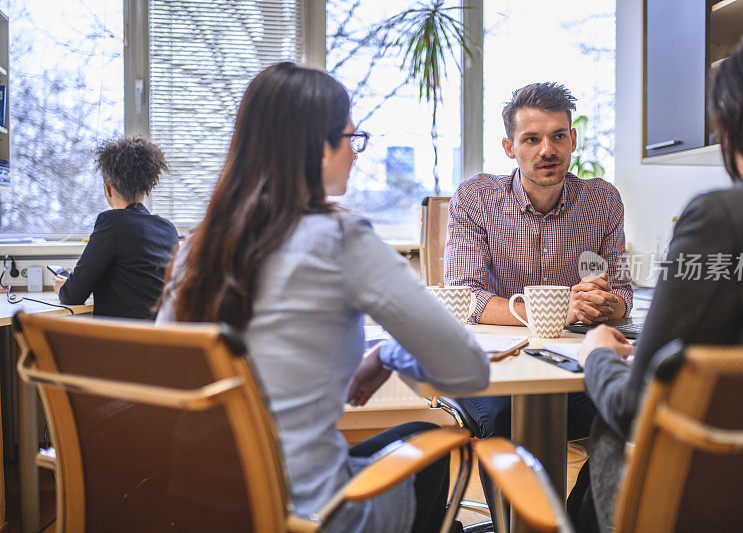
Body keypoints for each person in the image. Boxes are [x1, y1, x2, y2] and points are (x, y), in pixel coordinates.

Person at [156, 61, 489, 533]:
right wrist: (389, 355)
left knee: (410, 436)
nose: (356, 155)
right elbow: (468, 369)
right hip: (308, 517)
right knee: (429, 447)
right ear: (318, 147)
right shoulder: (339, 238)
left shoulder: (195, 249)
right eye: (351, 140)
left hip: (201, 507)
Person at [575, 9, 743, 531]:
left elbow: (636, 407)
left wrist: (597, 356)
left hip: (725, 508)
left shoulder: (726, 219)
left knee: (609, 428)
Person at [444, 82, 632, 442]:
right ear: (509, 148)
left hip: (569, 360)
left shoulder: (603, 200)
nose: (548, 150)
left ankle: (576, 503)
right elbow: (465, 296)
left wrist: (603, 303)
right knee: (505, 420)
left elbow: (622, 290)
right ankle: (522, 502)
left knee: (620, 414)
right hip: (492, 366)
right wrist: (560, 310)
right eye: (531, 139)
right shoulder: (475, 198)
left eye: (558, 136)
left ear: (573, 139)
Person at [54, 136, 178, 318]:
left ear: (108, 189)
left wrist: (61, 288)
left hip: (122, 342)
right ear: (147, 188)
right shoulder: (168, 229)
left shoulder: (112, 223)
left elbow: (72, 295)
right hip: (160, 340)